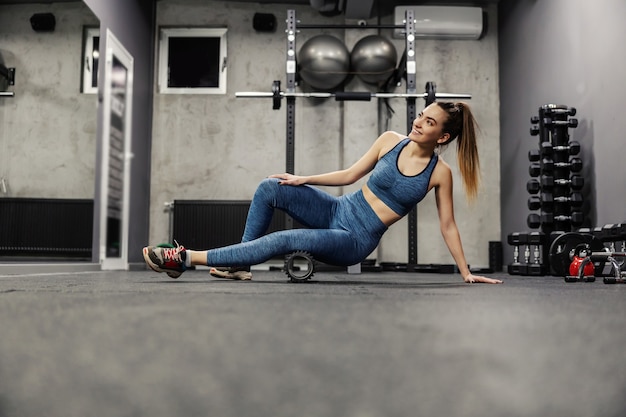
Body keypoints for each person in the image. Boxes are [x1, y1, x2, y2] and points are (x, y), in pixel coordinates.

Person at [143, 101, 503, 284]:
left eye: (428, 122)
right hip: (338, 210)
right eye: (421, 115)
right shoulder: (391, 140)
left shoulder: (440, 174)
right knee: (272, 187)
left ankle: (185, 259)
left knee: (288, 238)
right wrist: (304, 179)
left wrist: (465, 272)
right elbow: (350, 174)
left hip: (355, 238)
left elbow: (448, 225)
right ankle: (238, 266)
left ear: (442, 137)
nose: (418, 122)